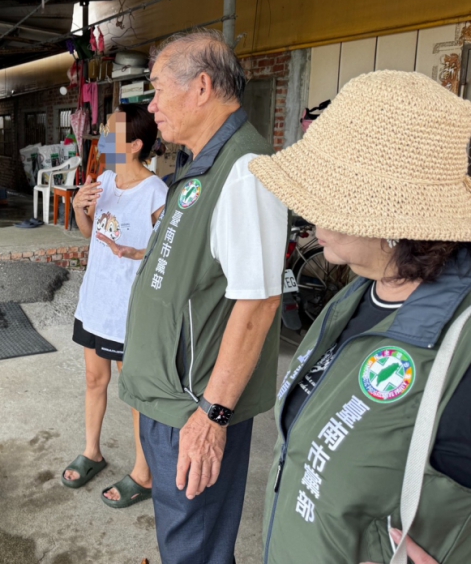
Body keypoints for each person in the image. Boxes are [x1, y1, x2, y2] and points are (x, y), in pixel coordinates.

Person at [250, 70, 471, 563]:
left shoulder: (460, 347)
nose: (308, 218)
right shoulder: (356, 294)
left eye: (325, 199)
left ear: (392, 221)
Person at [118, 29, 288, 563]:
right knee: (184, 541)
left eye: (158, 89)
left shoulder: (244, 170)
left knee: (197, 548)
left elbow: (258, 303)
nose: (152, 105)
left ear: (202, 88)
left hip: (195, 407)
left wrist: (212, 418)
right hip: (171, 398)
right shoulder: (202, 163)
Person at [62, 104, 168, 508]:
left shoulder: (156, 193)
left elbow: (164, 255)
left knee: (135, 391)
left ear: (136, 144)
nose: (103, 140)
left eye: (111, 133)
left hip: (128, 308)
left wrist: (137, 251)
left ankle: (144, 472)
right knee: (94, 379)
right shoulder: (104, 180)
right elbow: (93, 235)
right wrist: (78, 209)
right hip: (97, 299)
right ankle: (92, 451)